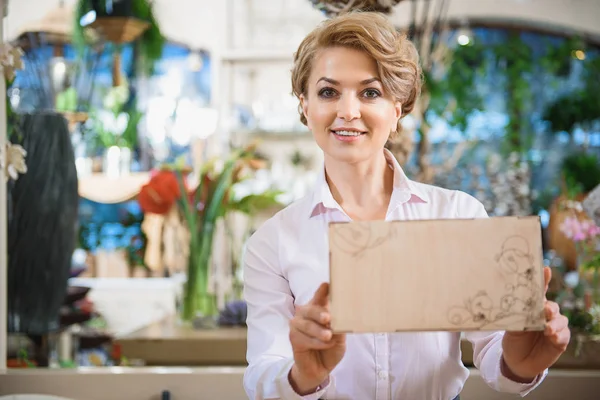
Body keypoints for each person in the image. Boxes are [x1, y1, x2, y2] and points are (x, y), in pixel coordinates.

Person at [242, 11, 570, 400]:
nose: (348, 111)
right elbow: (263, 372)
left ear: (397, 109)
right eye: (329, 92)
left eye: (370, 92)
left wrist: (524, 359)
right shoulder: (272, 242)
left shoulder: (459, 216)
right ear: (305, 105)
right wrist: (303, 375)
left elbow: (497, 351)